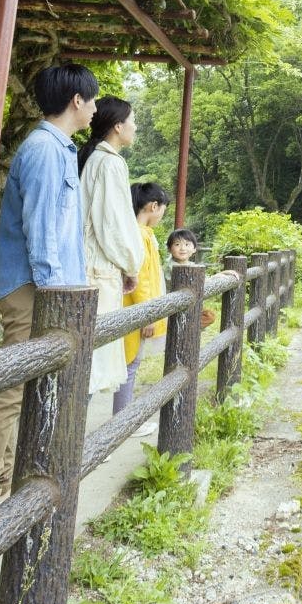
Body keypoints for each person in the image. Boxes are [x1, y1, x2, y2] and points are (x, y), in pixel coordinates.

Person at [0, 63, 98, 533]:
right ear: (76, 100)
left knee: (26, 388)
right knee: (9, 390)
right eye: (92, 99)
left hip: (42, 288)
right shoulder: (43, 149)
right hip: (32, 290)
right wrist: (55, 288)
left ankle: (6, 487)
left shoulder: (58, 148)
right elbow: (41, 228)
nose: (96, 108)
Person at [79, 98, 144, 395]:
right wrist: (132, 265)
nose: (135, 126)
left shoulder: (96, 159)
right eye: (132, 120)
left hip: (91, 269)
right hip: (98, 273)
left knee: (87, 363)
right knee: (91, 369)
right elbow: (114, 226)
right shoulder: (109, 162)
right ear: (118, 126)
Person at [114, 182, 170, 434]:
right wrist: (148, 315)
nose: (161, 216)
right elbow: (141, 278)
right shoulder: (140, 234)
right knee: (129, 364)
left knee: (129, 363)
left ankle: (122, 418)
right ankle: (123, 421)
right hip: (135, 311)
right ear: (153, 206)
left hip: (132, 309)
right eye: (163, 211)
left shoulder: (138, 233)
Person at [165, 228, 215, 328]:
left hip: (188, 305)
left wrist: (221, 275)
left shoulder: (191, 265)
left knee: (210, 316)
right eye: (177, 244)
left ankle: (192, 327)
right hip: (172, 308)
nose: (182, 248)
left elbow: (203, 280)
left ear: (194, 249)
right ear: (169, 249)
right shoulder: (170, 267)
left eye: (187, 244)